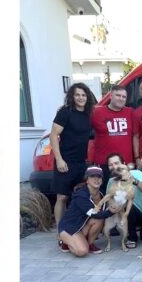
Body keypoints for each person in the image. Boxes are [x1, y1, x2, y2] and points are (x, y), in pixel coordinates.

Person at [50, 82, 96, 225]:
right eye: (77, 95)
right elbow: (53, 136)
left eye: (83, 95)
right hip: (65, 161)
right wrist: (59, 160)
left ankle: (77, 225)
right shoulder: (65, 111)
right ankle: (60, 229)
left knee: (79, 196)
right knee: (62, 198)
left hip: (81, 163)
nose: (81, 98)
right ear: (72, 96)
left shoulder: (89, 113)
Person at [57, 166, 116, 256]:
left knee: (100, 218)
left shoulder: (102, 194)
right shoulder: (81, 195)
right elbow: (93, 213)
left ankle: (90, 243)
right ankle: (65, 242)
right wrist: (111, 212)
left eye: (99, 176)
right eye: (92, 176)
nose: (96, 179)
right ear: (87, 180)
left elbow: (99, 215)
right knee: (82, 252)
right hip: (70, 227)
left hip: (83, 225)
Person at [107, 152, 142, 248]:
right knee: (125, 205)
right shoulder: (111, 181)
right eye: (110, 165)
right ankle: (131, 237)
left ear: (124, 164)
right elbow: (110, 200)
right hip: (130, 213)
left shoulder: (136, 173)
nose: (114, 166)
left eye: (117, 163)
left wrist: (133, 180)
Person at [91, 84, 134, 183]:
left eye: (124, 97)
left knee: (126, 192)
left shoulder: (130, 112)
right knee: (106, 191)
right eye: (118, 95)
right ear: (110, 96)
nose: (121, 99)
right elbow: (80, 121)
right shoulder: (97, 112)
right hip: (104, 164)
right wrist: (67, 109)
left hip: (125, 163)